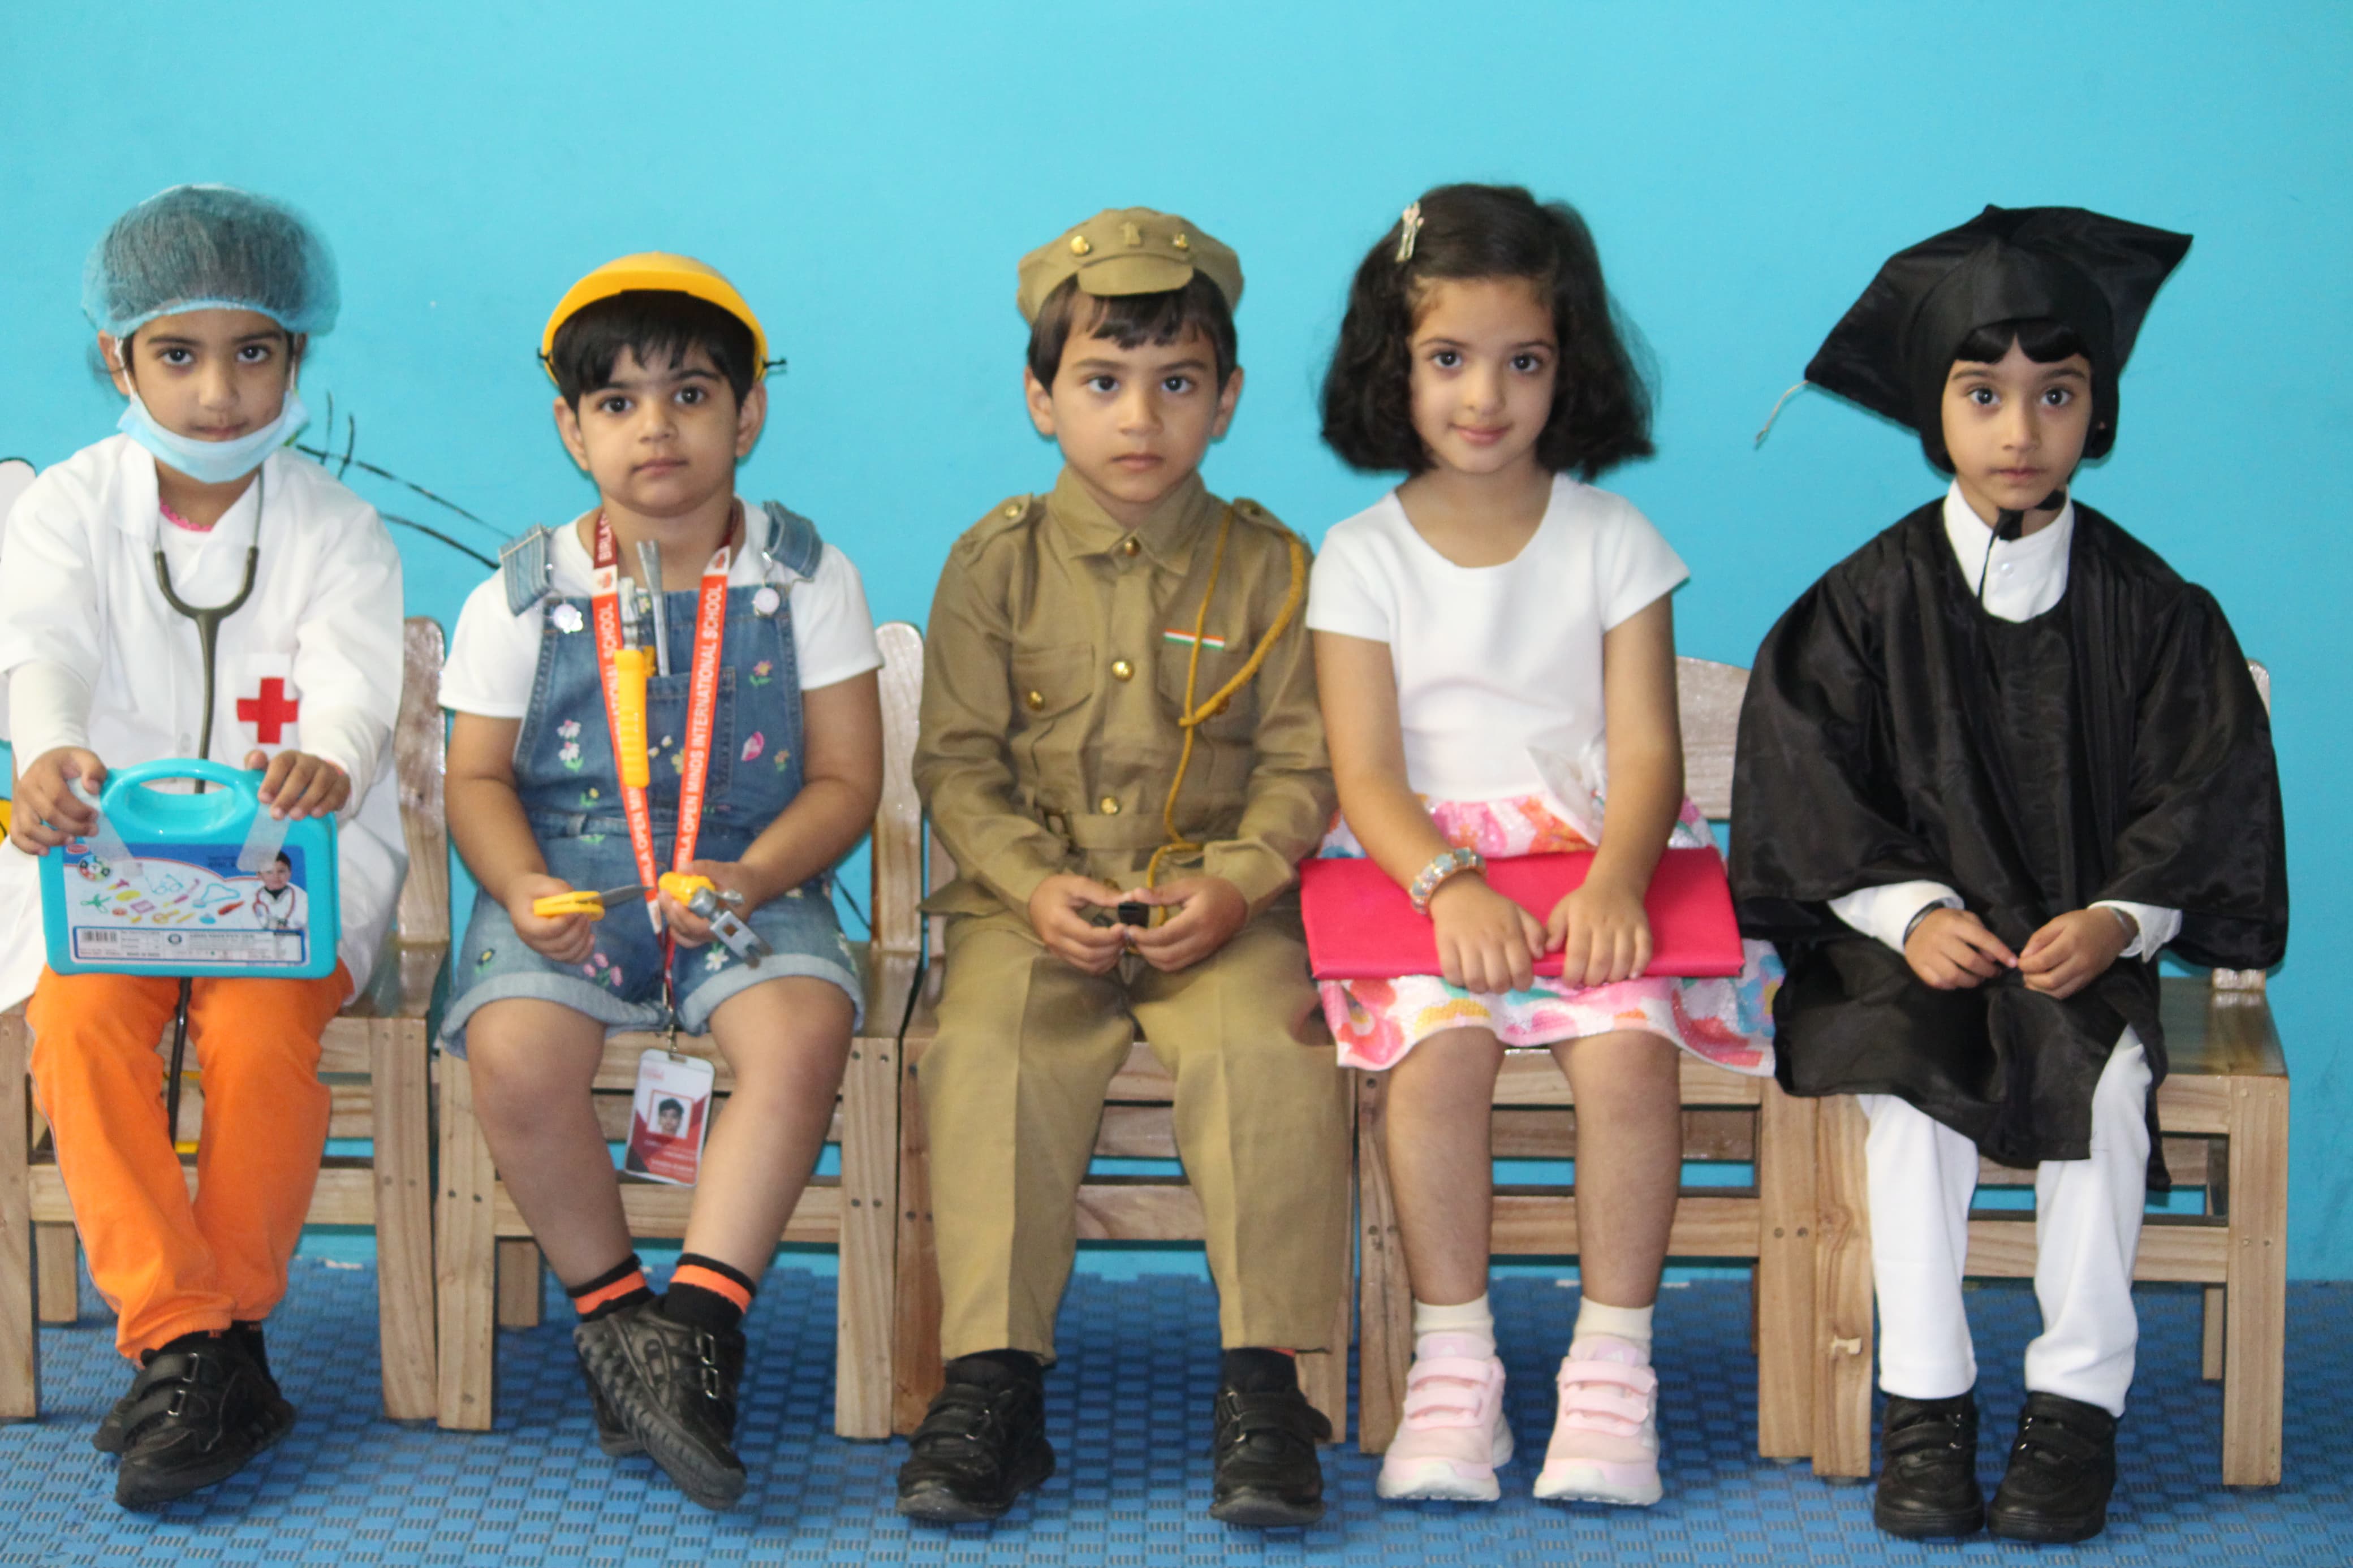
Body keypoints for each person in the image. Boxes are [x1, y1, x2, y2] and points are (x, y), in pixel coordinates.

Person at [1730, 206, 2288, 1544]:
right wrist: (1910, 912)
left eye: (2056, 393)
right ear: (1935, 412)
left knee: (2104, 1090)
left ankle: (2074, 1407)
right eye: (1982, 394)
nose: (2020, 429)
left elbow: (2200, 796)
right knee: (1910, 1101)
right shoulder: (1861, 604)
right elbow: (1808, 786)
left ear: (2097, 410)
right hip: (1903, 958)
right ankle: (1925, 1406)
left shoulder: (2155, 612)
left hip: (2077, 957)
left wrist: (2118, 919)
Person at [1308, 183, 1779, 1508]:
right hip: (1421, 877)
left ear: (1569, 370)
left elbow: (1646, 750)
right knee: (1435, 1065)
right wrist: (1447, 886)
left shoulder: (1613, 541)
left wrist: (1621, 877)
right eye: (1448, 358)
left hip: (1594, 866)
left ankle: (1611, 1367)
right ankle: (1454, 1363)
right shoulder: (1359, 557)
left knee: (1628, 1061)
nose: (1485, 395)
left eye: (1523, 361)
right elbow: (1364, 771)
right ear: (1392, 366)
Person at [900, 208, 1351, 1528]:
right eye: (1101, 381)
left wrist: (1241, 879)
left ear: (1228, 399)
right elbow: (956, 764)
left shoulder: (1274, 569)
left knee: (1267, 1054)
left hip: (1223, 908)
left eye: (1177, 383)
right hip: (1030, 909)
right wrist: (1031, 882)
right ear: (1041, 399)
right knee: (989, 1052)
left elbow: (1304, 764)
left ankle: (1267, 1384)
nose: (1140, 416)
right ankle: (991, 1384)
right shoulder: (993, 565)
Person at [437, 254, 884, 1510]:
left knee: (801, 1034)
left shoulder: (809, 579)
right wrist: (522, 885)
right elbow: (475, 779)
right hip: (566, 885)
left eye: (690, 394)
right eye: (618, 402)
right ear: (571, 428)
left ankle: (698, 1327)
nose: (657, 427)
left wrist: (751, 871)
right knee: (516, 1054)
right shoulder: (520, 595)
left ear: (748, 413)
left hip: (753, 873)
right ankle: (614, 1315)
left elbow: (846, 780)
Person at [0, 184, 406, 1509]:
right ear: (116, 356)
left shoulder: (336, 529)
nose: (219, 393)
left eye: (253, 352)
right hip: (105, 866)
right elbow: (40, 648)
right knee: (80, 1026)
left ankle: (207, 1342)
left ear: (297, 354)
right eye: (178, 353)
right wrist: (50, 748)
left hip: (290, 867)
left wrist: (329, 752)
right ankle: (194, 1339)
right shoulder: (65, 510)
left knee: (256, 1030)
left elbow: (353, 681)